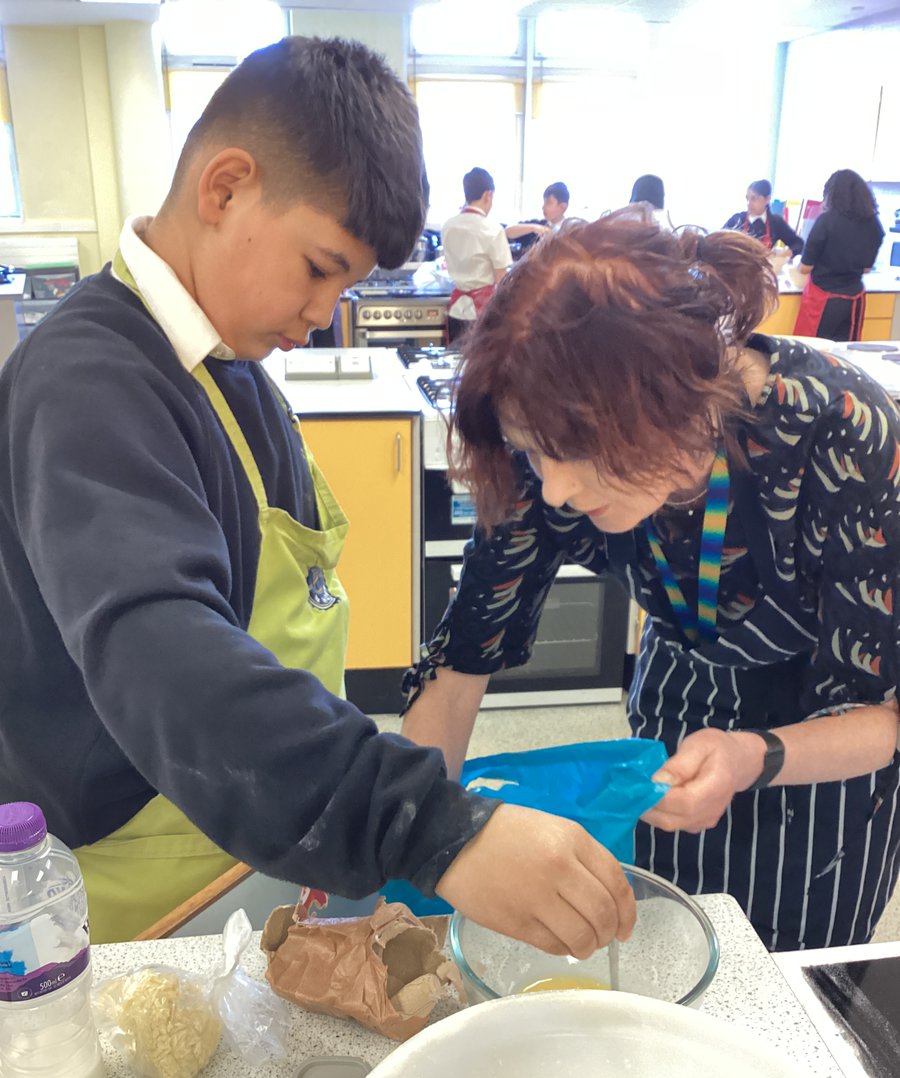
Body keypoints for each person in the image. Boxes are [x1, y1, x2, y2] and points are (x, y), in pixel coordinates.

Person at [0, 37, 635, 954]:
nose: (321, 311)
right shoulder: (86, 383)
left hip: (258, 828)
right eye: (319, 267)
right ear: (225, 189)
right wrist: (434, 828)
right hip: (144, 891)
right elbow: (164, 657)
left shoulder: (229, 362)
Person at [401, 208, 900, 953]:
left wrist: (749, 755)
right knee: (668, 947)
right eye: (534, 452)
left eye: (574, 452)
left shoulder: (842, 435)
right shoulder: (551, 453)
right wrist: (419, 851)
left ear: (671, 405)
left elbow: (885, 714)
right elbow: (461, 664)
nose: (558, 488)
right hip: (676, 710)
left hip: (824, 768)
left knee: (782, 991)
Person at [794, 169, 885, 342]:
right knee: (847, 353)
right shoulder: (873, 224)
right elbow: (866, 268)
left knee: (816, 353)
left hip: (823, 300)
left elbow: (805, 268)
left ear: (831, 194)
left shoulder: (826, 220)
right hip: (854, 300)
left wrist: (798, 262)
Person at [442, 167, 513, 344]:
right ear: (488, 195)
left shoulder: (448, 226)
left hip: (456, 310)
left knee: (455, 364)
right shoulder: (492, 229)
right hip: (483, 312)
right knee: (482, 368)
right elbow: (502, 279)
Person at [723, 178, 804, 261]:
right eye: (747, 198)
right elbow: (718, 242)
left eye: (754, 199)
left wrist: (786, 253)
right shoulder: (737, 219)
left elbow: (798, 243)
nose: (748, 204)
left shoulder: (776, 222)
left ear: (767, 199)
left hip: (763, 270)